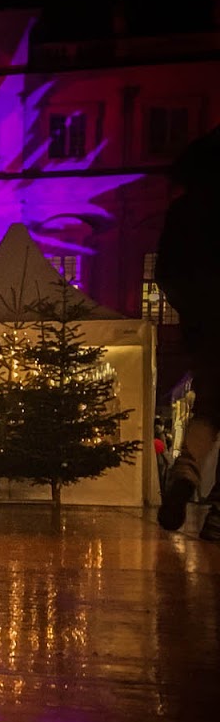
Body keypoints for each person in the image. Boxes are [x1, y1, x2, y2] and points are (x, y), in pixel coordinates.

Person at [156, 127, 220, 539]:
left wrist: (193, 313)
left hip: (206, 328)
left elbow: (165, 273)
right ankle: (217, 515)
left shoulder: (183, 211)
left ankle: (186, 470)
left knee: (210, 410)